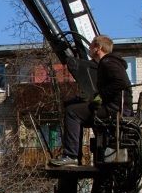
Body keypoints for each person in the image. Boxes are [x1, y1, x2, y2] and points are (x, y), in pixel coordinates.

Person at [51, 35, 133, 167]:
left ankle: (71, 156)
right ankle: (75, 155)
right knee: (74, 107)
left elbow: (120, 82)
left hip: (114, 109)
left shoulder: (108, 62)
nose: (89, 49)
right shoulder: (110, 62)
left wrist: (100, 96)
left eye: (91, 46)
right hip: (116, 107)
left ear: (98, 48)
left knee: (72, 112)